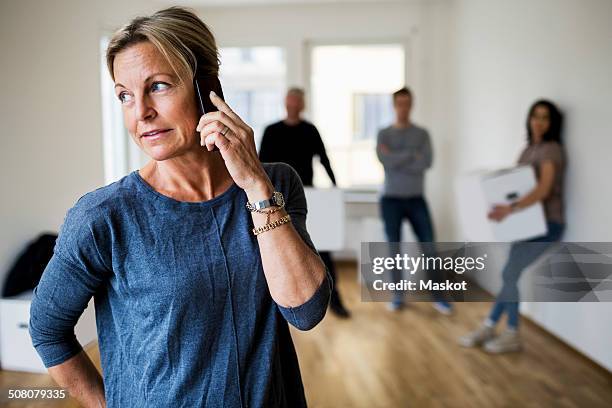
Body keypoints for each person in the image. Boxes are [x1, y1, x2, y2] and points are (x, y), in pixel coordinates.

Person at [29, 7, 330, 407]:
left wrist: (255, 185)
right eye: (124, 95)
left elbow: (305, 311)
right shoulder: (103, 216)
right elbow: (47, 328)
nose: (141, 113)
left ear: (208, 89)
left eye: (158, 86)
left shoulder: (275, 184)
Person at [459, 100, 565, 353]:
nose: (539, 122)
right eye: (535, 117)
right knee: (510, 275)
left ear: (552, 123)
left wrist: (510, 209)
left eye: (545, 118)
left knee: (508, 274)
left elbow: (543, 190)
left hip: (548, 225)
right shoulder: (528, 151)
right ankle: (491, 325)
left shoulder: (551, 150)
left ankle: (511, 332)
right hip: (525, 225)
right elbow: (514, 185)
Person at [259, 87, 350, 318]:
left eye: (297, 102)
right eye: (290, 101)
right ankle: (274, 303)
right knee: (275, 248)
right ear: (285, 103)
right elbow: (259, 164)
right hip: (277, 198)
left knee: (323, 248)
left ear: (302, 105)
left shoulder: (310, 130)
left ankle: (334, 299)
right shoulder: (272, 131)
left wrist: (335, 188)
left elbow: (324, 158)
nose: (293, 105)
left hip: (306, 197)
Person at [376, 87, 452, 314]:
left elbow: (425, 163)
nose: (403, 108)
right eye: (399, 103)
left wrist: (397, 156)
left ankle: (439, 296)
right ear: (394, 105)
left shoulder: (422, 134)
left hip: (417, 199)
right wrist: (412, 154)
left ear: (412, 105)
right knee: (394, 250)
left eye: (407, 103)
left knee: (429, 247)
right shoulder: (384, 134)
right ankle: (398, 295)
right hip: (390, 200)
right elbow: (385, 161)